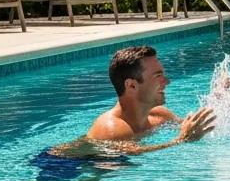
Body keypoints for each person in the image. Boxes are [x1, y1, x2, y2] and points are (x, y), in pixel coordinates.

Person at [85, 44, 215, 151]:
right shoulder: (112, 128)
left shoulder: (160, 115)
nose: (167, 81)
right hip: (73, 168)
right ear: (131, 86)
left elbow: (191, 127)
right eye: (158, 76)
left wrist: (221, 102)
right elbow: (133, 154)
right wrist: (181, 140)